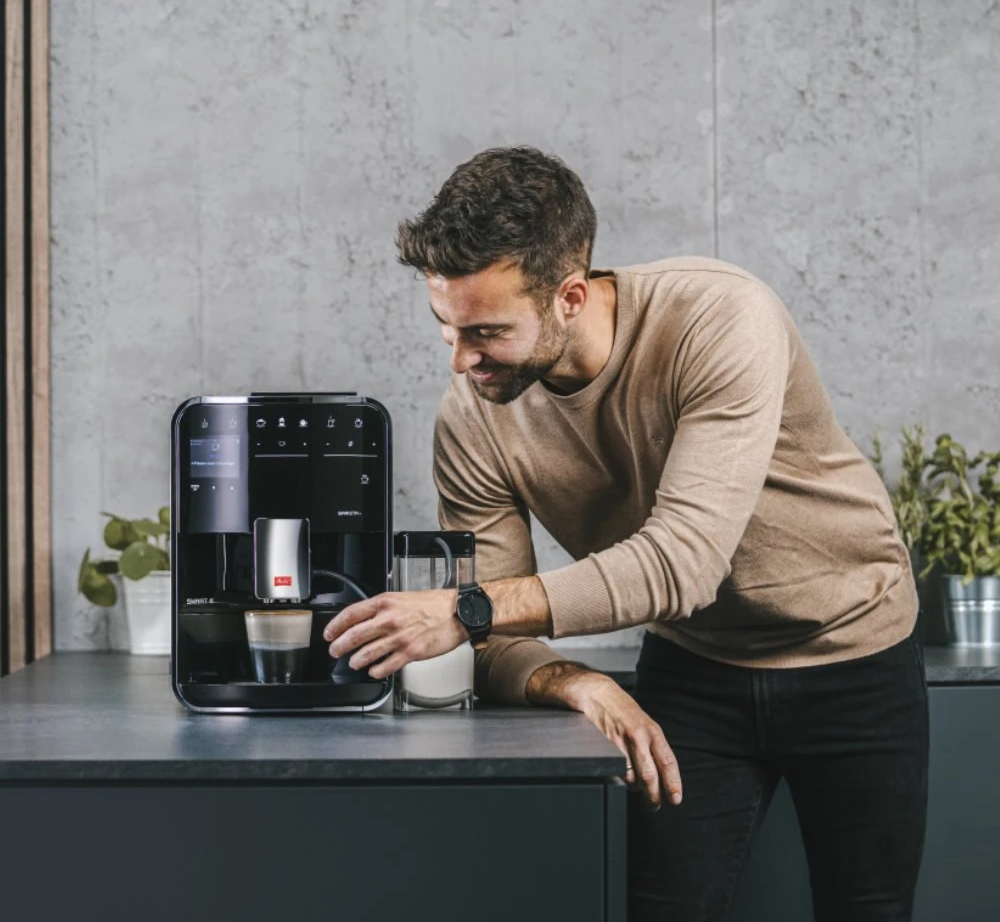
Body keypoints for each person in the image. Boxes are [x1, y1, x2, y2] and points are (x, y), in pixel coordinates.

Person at [323, 146, 928, 921]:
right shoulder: (472, 418)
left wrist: (465, 608)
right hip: (695, 667)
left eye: (487, 332)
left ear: (570, 296)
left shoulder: (720, 318)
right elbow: (492, 638)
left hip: (856, 651)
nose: (462, 360)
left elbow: (682, 563)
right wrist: (575, 681)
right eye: (447, 328)